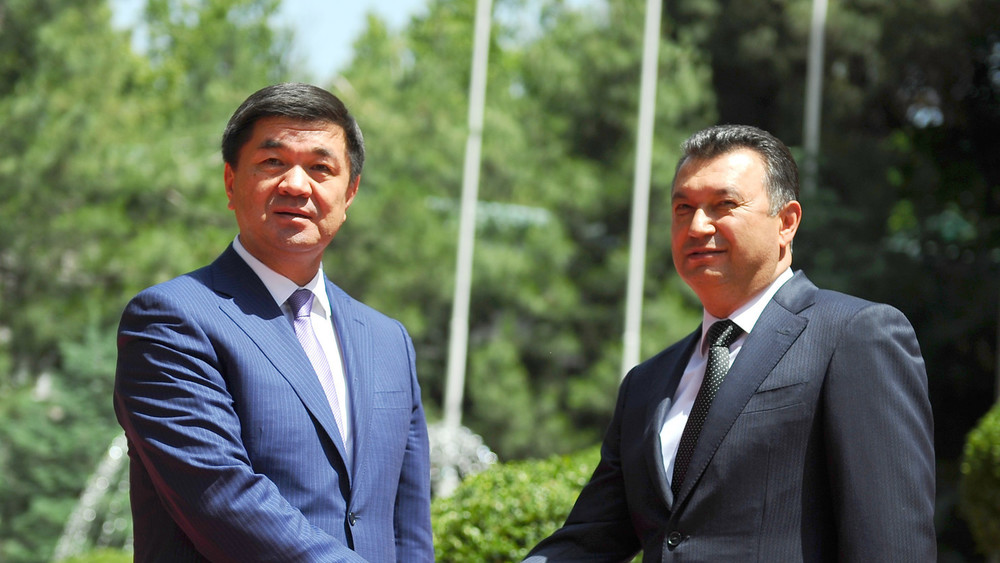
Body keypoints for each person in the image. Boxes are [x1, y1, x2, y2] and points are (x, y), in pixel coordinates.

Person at [524, 124, 936, 562]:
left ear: (786, 223)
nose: (697, 226)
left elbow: (892, 545)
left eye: (724, 205)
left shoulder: (855, 335)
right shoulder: (646, 384)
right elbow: (590, 539)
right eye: (683, 208)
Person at [114, 83, 434, 562]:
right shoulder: (171, 320)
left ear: (350, 192)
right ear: (230, 182)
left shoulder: (389, 340)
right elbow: (223, 501)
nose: (296, 185)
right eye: (273, 162)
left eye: (321, 168)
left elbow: (409, 527)